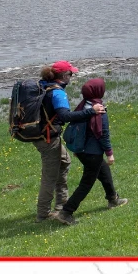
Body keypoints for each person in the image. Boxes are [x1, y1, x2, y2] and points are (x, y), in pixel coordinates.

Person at [35, 61, 104, 223]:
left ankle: (61, 205)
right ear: (64, 76)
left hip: (43, 135)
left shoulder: (43, 85)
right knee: (50, 176)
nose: (72, 76)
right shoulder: (58, 93)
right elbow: (65, 117)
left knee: (65, 161)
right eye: (70, 74)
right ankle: (43, 214)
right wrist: (91, 111)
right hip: (48, 138)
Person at [56, 78, 127, 225]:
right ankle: (66, 212)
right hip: (92, 153)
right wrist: (110, 154)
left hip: (82, 151)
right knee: (86, 183)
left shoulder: (83, 106)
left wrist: (77, 149)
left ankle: (113, 199)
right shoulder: (99, 110)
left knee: (104, 171)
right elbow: (103, 134)